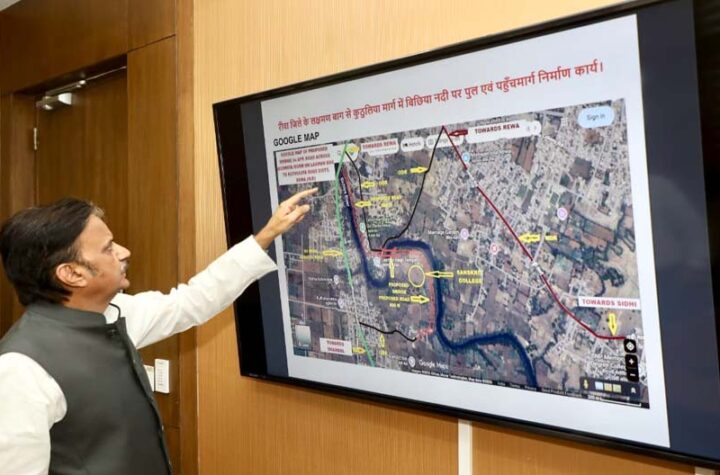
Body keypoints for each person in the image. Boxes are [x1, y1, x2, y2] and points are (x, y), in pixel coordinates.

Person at [0, 188, 316, 475]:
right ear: (72, 273)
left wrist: (266, 236)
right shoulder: (19, 368)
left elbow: (190, 302)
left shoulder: (114, 313)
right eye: (108, 249)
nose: (124, 252)